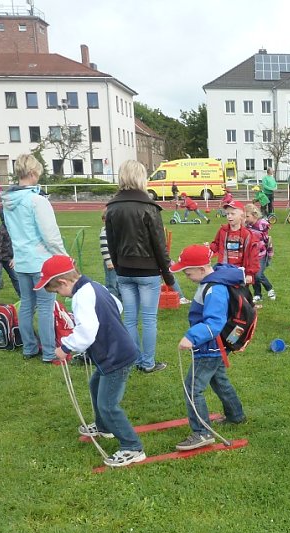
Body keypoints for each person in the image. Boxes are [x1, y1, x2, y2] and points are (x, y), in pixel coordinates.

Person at [38, 255, 146, 468]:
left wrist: (66, 347)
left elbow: (86, 332)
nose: (60, 296)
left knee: (108, 404)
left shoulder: (81, 297)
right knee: (95, 385)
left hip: (116, 356)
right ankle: (103, 427)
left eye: (58, 291)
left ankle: (133, 447)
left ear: (63, 282)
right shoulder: (94, 285)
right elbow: (117, 306)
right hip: (115, 351)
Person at [170, 244, 247, 451]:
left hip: (209, 348)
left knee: (192, 388)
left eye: (188, 272)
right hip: (213, 347)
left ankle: (201, 432)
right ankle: (236, 415)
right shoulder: (210, 282)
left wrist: (191, 337)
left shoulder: (215, 289)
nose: (186, 276)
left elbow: (214, 322)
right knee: (219, 380)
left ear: (203, 269)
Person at [105, 159, 175, 374]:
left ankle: (134, 359)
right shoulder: (147, 208)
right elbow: (159, 244)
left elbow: (111, 242)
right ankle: (147, 362)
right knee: (148, 319)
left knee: (130, 319)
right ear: (141, 178)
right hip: (147, 271)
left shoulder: (113, 208)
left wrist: (118, 266)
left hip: (125, 270)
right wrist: (168, 275)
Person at [1, 154, 67, 364]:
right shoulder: (37, 201)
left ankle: (29, 347)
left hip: (22, 260)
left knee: (28, 305)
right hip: (41, 263)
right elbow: (50, 234)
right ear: (32, 173)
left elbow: (11, 231)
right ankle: (48, 352)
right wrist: (63, 256)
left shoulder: (8, 202)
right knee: (46, 308)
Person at [210, 200, 259, 298]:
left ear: (241, 215)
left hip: (240, 271)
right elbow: (216, 244)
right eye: (227, 214)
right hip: (224, 269)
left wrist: (249, 273)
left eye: (232, 214)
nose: (229, 216)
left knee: (240, 297)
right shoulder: (223, 230)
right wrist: (209, 249)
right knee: (225, 295)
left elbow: (252, 256)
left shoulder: (247, 235)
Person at [244, 203, 276, 303]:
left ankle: (270, 289)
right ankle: (257, 294)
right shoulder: (246, 226)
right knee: (252, 275)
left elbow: (268, 240)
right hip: (251, 255)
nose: (246, 218)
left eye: (247, 216)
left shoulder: (262, 224)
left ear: (254, 215)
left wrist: (270, 253)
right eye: (244, 216)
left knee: (258, 275)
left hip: (261, 254)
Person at [98, 212, 120, 301]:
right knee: (111, 281)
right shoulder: (104, 233)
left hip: (117, 260)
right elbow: (104, 249)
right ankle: (113, 298)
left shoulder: (114, 231)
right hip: (110, 261)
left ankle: (119, 297)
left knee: (118, 280)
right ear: (104, 221)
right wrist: (109, 262)